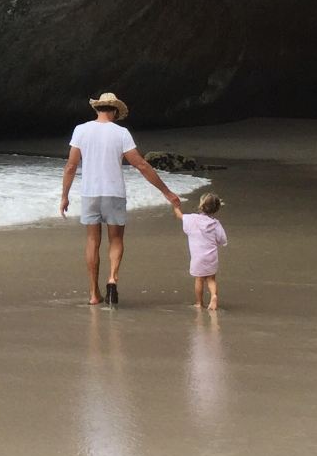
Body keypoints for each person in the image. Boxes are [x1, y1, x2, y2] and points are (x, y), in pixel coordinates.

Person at [60, 92, 180, 306]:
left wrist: (64, 196)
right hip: (114, 193)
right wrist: (166, 192)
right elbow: (141, 165)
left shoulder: (81, 130)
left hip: (90, 193)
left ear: (97, 109)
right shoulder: (121, 133)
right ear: (114, 110)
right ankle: (112, 279)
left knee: (92, 241)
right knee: (116, 240)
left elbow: (71, 166)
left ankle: (94, 294)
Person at [171, 193, 227, 310]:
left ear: (201, 206)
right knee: (211, 279)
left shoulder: (192, 219)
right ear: (216, 208)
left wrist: (176, 206)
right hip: (211, 256)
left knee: (199, 279)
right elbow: (222, 240)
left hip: (198, 257)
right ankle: (214, 296)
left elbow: (180, 216)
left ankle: (199, 303)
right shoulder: (215, 224)